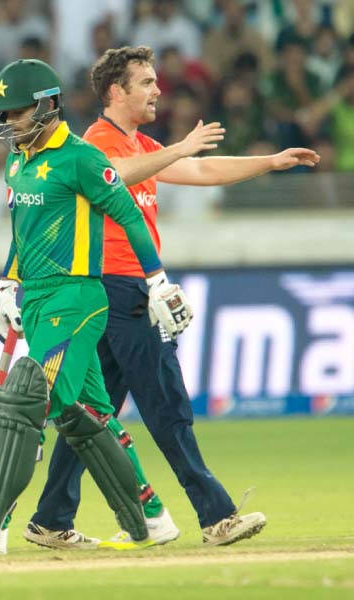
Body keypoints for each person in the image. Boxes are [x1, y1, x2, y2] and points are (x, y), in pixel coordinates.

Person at [28, 45, 319, 549]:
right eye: (146, 82)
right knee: (166, 402)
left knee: (91, 414)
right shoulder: (94, 143)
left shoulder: (139, 144)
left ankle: (51, 518)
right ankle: (216, 515)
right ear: (116, 92)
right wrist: (179, 149)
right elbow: (115, 177)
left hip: (114, 292)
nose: (158, 90)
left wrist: (270, 161)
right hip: (117, 288)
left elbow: (202, 172)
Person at [0, 58, 193, 555]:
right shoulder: (18, 160)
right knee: (90, 412)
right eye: (4, 112)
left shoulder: (80, 158)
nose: (8, 121)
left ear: (47, 105)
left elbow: (129, 216)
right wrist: (7, 284)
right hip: (37, 300)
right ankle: (151, 518)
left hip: (77, 299)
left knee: (30, 401)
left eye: (16, 112)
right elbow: (22, 236)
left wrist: (158, 282)